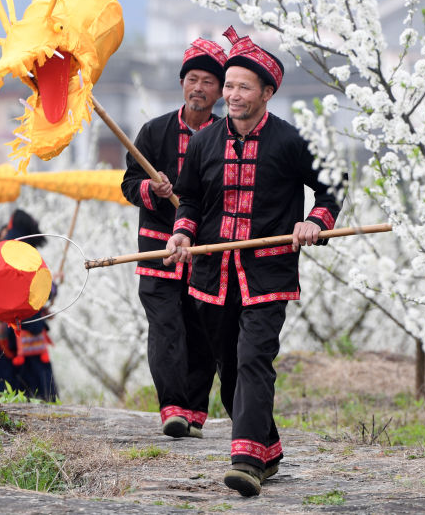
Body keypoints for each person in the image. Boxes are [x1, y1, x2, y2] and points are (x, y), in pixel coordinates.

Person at [165, 27, 342, 497]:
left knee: (253, 360)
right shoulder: (204, 143)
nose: (232, 95)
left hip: (267, 274)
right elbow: (189, 199)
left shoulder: (289, 141)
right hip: (212, 276)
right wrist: (183, 231)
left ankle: (245, 461)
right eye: (229, 86)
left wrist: (315, 221)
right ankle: (269, 449)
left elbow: (332, 183)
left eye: (244, 87)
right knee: (229, 368)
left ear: (267, 92)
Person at [120, 38, 224, 439]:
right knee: (165, 326)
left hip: (206, 249)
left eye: (208, 82)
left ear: (220, 91)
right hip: (159, 248)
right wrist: (152, 189)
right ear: (182, 84)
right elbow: (128, 184)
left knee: (203, 330)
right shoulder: (153, 132)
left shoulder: (226, 136)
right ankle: (172, 408)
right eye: (192, 79)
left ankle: (196, 409)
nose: (198, 88)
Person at [0, 209, 58, 401]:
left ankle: (2, 414)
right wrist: (53, 286)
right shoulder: (28, 257)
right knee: (37, 382)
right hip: (26, 327)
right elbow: (45, 291)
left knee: (4, 382)